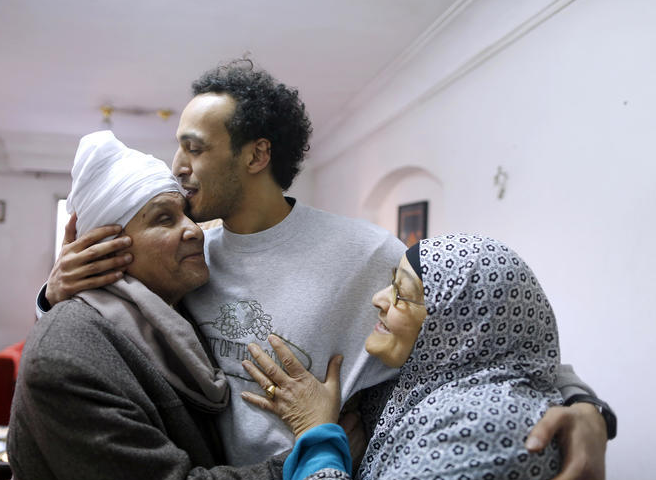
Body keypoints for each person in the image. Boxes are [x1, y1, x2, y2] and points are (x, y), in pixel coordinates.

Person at [38, 60, 611, 477]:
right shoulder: (189, 258)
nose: (177, 167)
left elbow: (486, 334)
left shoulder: (367, 254)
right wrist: (51, 295)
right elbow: (106, 337)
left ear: (256, 156)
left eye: (194, 148)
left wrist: (583, 406)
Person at [9, 131, 287, 479]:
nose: (196, 231)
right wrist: (309, 459)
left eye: (187, 214)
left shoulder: (173, 310)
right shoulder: (64, 358)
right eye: (164, 219)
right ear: (106, 247)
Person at [242, 234, 599, 479]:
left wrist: (316, 433)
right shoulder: (426, 381)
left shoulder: (484, 427)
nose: (379, 299)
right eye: (391, 282)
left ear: (459, 327)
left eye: (403, 293)